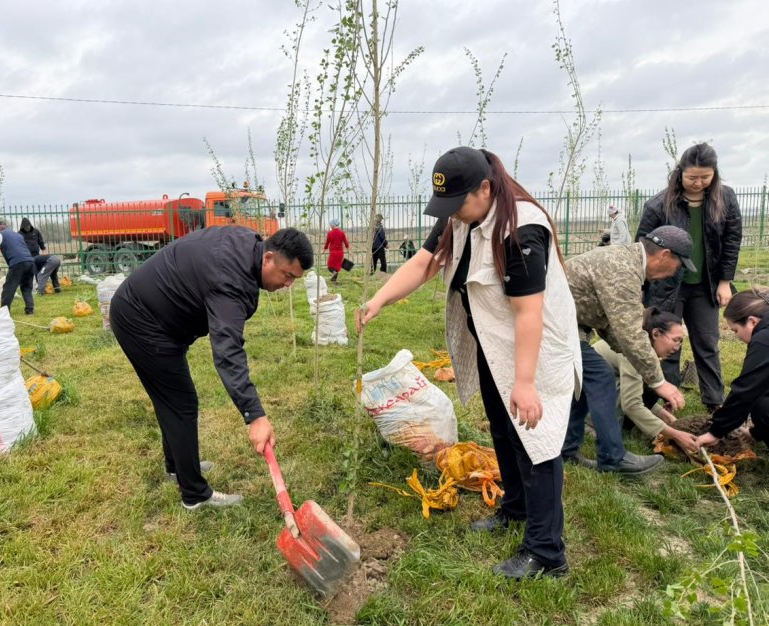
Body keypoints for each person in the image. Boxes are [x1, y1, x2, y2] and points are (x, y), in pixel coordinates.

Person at [358, 146, 581, 579]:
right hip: (495, 346)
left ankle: (547, 553)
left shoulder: (521, 230)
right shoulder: (462, 214)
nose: (452, 214)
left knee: (536, 443)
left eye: (458, 204)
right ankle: (514, 511)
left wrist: (526, 382)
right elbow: (424, 263)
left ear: (485, 187)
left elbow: (529, 313)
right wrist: (379, 299)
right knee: (503, 428)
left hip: (536, 348)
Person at [109, 227, 313, 511]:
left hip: (154, 315)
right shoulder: (230, 279)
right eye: (287, 276)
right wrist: (255, 416)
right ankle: (194, 494)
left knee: (171, 400)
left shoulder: (247, 248)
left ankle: (177, 467)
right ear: (268, 258)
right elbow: (228, 352)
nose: (289, 284)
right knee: (181, 402)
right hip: (142, 320)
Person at [563, 225, 691, 474]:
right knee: (600, 377)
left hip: (567, 324)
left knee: (586, 380)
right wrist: (657, 381)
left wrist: (629, 355)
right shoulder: (623, 270)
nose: (673, 274)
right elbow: (629, 331)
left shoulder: (626, 262)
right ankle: (613, 458)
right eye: (677, 266)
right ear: (664, 255)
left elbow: (612, 325)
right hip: (553, 323)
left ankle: (567, 450)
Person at [637, 143, 743, 412]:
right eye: (692, 177)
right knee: (667, 343)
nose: (698, 183)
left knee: (707, 342)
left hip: (705, 286)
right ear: (680, 172)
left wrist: (723, 281)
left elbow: (732, 241)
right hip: (666, 287)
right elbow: (642, 248)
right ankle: (665, 403)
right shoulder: (658, 205)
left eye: (705, 177)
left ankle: (715, 402)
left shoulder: (726, 199)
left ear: (714, 174)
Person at [594, 307, 699, 454]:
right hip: (585, 397)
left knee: (652, 387)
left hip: (597, 387)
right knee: (651, 389)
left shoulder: (644, 349)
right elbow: (631, 404)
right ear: (656, 333)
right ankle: (591, 427)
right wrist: (675, 434)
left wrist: (661, 413)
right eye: (676, 340)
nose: (677, 348)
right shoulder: (633, 352)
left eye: (680, 343)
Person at [696, 289, 769, 448]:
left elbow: (747, 389)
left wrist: (716, 431)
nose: (737, 337)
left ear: (752, 321)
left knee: (760, 405)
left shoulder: (764, 339)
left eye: (735, 330)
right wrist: (756, 433)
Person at [0, 221, 35, 315]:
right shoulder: (18, 235)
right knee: (26, 287)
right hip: (30, 262)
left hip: (18, 263)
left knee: (9, 287)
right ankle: (30, 310)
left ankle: (4, 312)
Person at [323, 218, 350, 284]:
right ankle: (334, 281)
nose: (330, 226)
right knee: (337, 267)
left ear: (332, 225)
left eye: (330, 225)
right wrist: (348, 250)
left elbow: (327, 243)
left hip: (333, 252)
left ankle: (334, 275)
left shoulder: (330, 233)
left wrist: (324, 250)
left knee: (330, 267)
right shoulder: (342, 233)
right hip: (340, 253)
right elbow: (346, 242)